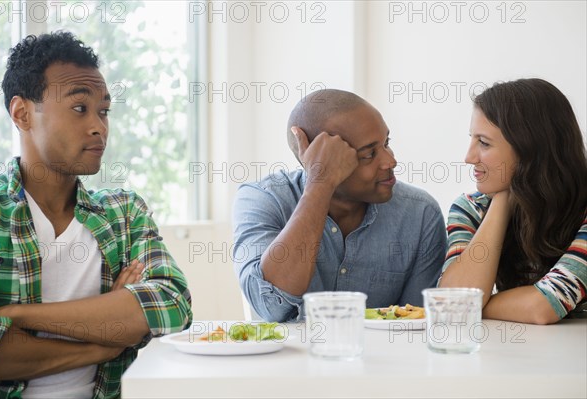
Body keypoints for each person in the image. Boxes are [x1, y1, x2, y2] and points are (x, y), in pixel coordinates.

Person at [0, 32, 192, 398]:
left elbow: (172, 304)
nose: (99, 126)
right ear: (21, 113)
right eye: (80, 108)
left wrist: (17, 317)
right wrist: (107, 343)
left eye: (104, 111)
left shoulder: (124, 213)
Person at [232, 89, 447, 322]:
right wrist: (320, 183)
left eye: (387, 143)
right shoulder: (263, 199)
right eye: (368, 154)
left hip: (383, 358)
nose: (390, 160)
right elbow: (271, 307)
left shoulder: (420, 214)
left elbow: (415, 324)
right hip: (286, 358)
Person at [439, 78, 587, 324]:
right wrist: (502, 200)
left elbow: (544, 307)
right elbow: (452, 299)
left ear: (531, 149)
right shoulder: (470, 208)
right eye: (472, 139)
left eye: (484, 143)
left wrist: (473, 305)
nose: (468, 157)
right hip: (516, 356)